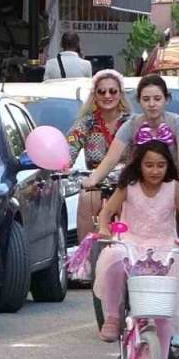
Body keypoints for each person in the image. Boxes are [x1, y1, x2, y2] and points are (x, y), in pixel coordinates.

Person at [92, 141, 179, 359]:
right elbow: (107, 213)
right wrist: (105, 229)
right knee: (114, 258)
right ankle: (113, 317)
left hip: (163, 247)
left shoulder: (173, 188)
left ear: (168, 167)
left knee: (162, 311)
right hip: (131, 241)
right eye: (149, 165)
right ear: (139, 166)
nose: (154, 171)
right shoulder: (128, 187)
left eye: (161, 165)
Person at [81, 74, 179, 190]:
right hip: (142, 187)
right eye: (146, 99)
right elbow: (111, 158)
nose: (151, 104)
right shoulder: (131, 125)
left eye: (157, 99)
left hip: (175, 183)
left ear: (166, 99)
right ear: (139, 101)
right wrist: (93, 179)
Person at [66, 69, 131, 242]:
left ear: (120, 94)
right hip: (95, 181)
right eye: (102, 91)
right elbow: (70, 146)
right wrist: (64, 164)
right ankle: (85, 255)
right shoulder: (86, 123)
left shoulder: (132, 122)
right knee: (86, 197)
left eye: (113, 91)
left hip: (128, 181)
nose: (107, 96)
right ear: (94, 95)